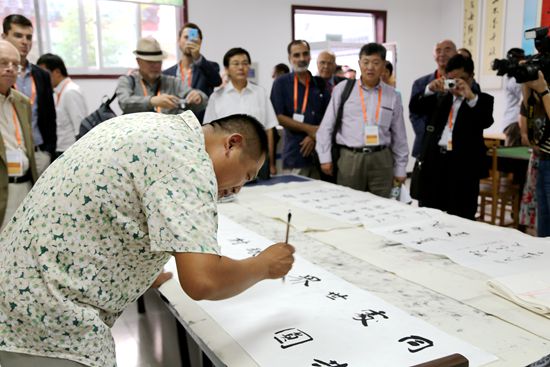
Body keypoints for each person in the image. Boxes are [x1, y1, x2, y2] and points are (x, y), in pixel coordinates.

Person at [0, 111, 295, 367]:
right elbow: (204, 280)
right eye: (246, 175)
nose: (237, 189)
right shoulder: (189, 160)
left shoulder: (150, 126)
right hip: (47, 322)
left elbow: (116, 205)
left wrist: (140, 273)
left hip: (19, 295)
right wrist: (264, 265)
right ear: (232, 143)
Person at [316, 43, 408, 197]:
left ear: (384, 65)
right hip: (350, 158)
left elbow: (400, 135)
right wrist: (325, 157)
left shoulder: (392, 95)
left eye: (376, 63)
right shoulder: (343, 90)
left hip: (382, 159)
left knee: (383, 206)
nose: (370, 67)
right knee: (349, 204)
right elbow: (327, 126)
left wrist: (400, 168)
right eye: (366, 62)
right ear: (359, 64)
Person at [409, 54, 494, 220]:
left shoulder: (481, 100)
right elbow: (416, 107)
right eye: (452, 79)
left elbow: (486, 120)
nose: (456, 84)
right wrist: (429, 90)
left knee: (461, 215)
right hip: (435, 161)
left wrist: (470, 97)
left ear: (471, 77)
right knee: (430, 214)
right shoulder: (439, 98)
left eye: (461, 79)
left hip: (463, 166)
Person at [204, 47, 278, 178]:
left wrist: (271, 162)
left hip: (258, 159)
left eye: (244, 63)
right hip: (228, 161)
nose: (241, 67)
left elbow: (269, 129)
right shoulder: (217, 97)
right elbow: (208, 133)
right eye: (236, 63)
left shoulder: (260, 93)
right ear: (226, 69)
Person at [2, 14, 56, 176]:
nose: (24, 42)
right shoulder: (4, 74)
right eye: (18, 36)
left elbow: (49, 116)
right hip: (7, 153)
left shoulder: (41, 75)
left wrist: (49, 151)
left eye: (29, 37)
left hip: (38, 152)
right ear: (4, 37)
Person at [270, 40, 330, 178]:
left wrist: (314, 136)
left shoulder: (319, 83)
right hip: (296, 153)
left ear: (310, 56)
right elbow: (278, 116)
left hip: (322, 153)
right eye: (297, 55)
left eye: (305, 54)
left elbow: (329, 115)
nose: (301, 59)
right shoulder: (281, 83)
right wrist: (310, 130)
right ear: (290, 58)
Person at [116, 36, 207, 115]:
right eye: (150, 62)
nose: (156, 65)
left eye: (158, 61)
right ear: (138, 61)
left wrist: (198, 97)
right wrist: (152, 101)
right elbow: (124, 102)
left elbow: (202, 100)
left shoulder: (172, 82)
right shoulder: (127, 81)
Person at [0, 40, 38, 230]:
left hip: (25, 185)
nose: (10, 69)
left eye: (15, 64)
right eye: (3, 63)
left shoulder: (23, 103)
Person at [163, 22, 222, 121]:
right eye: (186, 37)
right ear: (178, 41)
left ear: (200, 42)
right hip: (173, 123)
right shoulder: (166, 73)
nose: (190, 42)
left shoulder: (210, 67)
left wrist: (198, 57)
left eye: (194, 38)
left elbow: (216, 81)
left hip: (201, 123)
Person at [409, 39, 457, 159]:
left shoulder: (463, 83)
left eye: (447, 49)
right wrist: (427, 135)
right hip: (427, 145)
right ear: (434, 55)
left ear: (456, 54)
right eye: (438, 50)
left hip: (455, 144)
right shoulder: (421, 83)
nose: (442, 54)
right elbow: (414, 115)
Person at [36, 53, 88, 158]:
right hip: (60, 150)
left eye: (44, 73)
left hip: (71, 152)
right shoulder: (57, 92)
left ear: (57, 72)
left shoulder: (70, 91)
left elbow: (80, 126)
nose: (42, 78)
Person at [520, 70, 550, 237]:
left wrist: (544, 90)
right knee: (543, 217)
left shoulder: (546, 93)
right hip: (543, 158)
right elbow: (530, 128)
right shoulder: (541, 96)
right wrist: (527, 88)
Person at [502, 48, 526, 147]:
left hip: (512, 121)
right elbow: (524, 98)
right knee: (512, 158)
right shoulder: (514, 80)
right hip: (515, 122)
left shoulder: (511, 78)